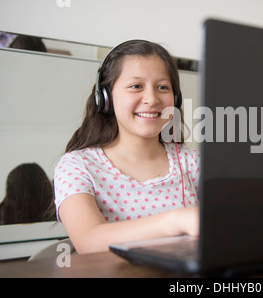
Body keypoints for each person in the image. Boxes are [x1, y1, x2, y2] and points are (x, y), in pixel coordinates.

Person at [53, 40, 200, 254]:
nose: (151, 99)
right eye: (136, 86)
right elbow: (87, 241)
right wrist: (175, 221)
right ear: (106, 97)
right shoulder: (77, 166)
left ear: (175, 100)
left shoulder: (192, 161)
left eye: (162, 87)